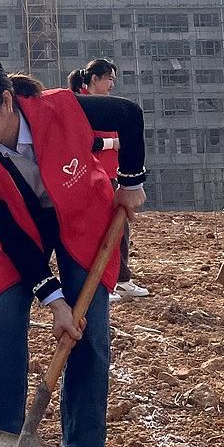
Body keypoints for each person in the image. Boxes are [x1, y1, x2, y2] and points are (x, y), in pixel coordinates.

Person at [0, 55, 146, 447]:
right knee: (1, 317)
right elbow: (13, 238)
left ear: (7, 101)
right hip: (18, 227)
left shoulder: (60, 108)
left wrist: (131, 179)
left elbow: (128, 115)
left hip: (81, 214)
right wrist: (53, 301)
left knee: (90, 330)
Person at [69, 60, 149, 303]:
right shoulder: (79, 104)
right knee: (102, 230)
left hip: (111, 176)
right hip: (90, 176)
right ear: (95, 79)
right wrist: (112, 144)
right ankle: (110, 282)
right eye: (109, 79)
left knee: (119, 228)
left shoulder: (108, 107)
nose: (112, 84)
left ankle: (120, 279)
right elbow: (83, 142)